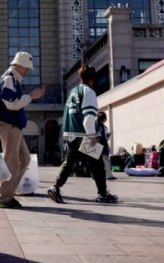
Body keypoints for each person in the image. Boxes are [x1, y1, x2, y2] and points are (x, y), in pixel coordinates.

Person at [47, 66, 118, 205]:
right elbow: (89, 118)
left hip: (72, 133)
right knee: (97, 165)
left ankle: (55, 187)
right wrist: (93, 136)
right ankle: (102, 194)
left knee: (70, 161)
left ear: (80, 77)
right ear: (92, 79)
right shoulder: (89, 92)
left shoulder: (73, 92)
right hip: (84, 134)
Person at [0, 52, 44, 209]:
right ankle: (3, 197)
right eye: (26, 68)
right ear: (18, 65)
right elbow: (10, 104)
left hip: (14, 126)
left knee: (24, 159)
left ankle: (7, 191)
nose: (27, 71)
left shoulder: (13, 79)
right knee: (12, 162)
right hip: (9, 126)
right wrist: (31, 96)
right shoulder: (9, 79)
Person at [97, 111, 114, 180]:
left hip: (95, 145)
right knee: (106, 160)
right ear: (104, 119)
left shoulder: (95, 125)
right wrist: (108, 135)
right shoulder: (103, 127)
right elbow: (104, 137)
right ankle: (109, 175)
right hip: (103, 145)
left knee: (96, 162)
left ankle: (95, 175)